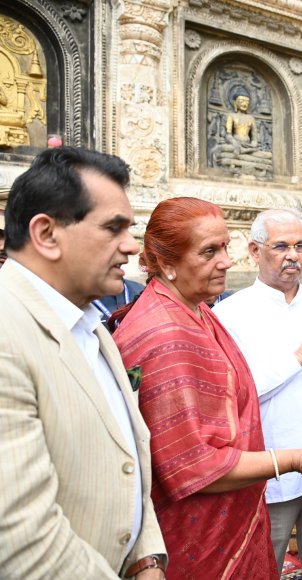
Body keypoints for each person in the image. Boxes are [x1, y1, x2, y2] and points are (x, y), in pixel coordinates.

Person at [112, 197, 302, 579]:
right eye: (210, 251)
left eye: (300, 246)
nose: (225, 261)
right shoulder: (219, 316)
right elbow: (193, 457)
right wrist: (299, 357)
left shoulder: (205, 312)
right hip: (254, 479)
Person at [0, 146, 166, 578]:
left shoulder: (90, 322)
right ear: (47, 234)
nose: (131, 247)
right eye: (114, 228)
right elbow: (22, 536)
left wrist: (147, 559)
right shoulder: (7, 330)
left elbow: (128, 460)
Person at [214, 208, 302, 577]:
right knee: (262, 565)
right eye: (281, 246)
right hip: (267, 470)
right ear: (254, 251)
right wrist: (300, 356)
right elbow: (236, 394)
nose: (293, 255)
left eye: (300, 246)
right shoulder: (230, 314)